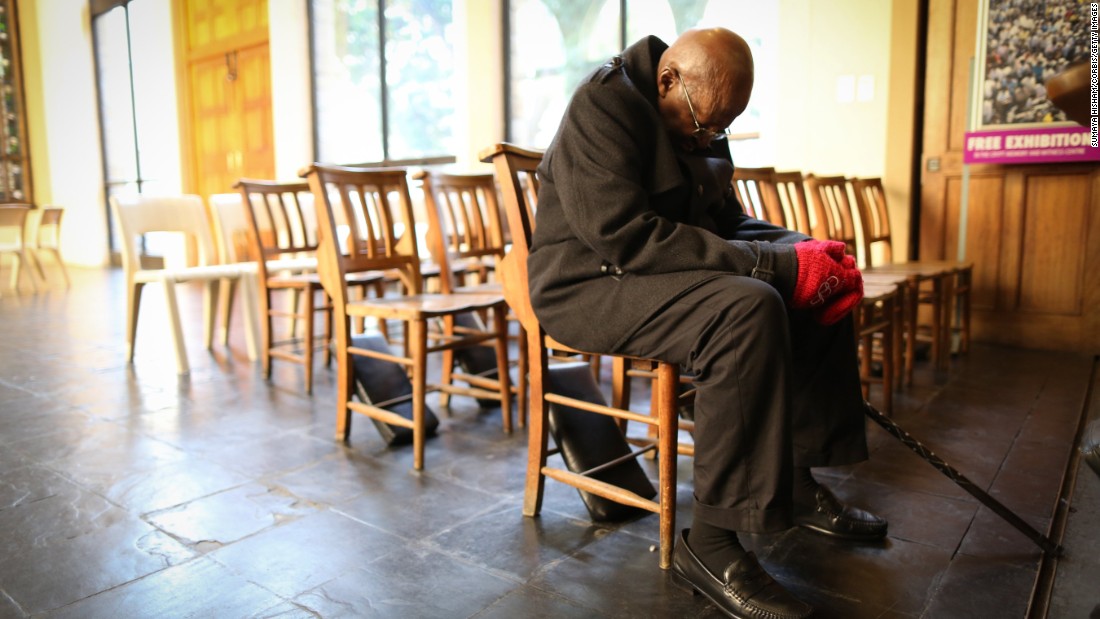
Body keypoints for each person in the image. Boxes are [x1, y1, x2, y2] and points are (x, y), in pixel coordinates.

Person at [527, 27, 886, 619]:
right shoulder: (604, 103)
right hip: (589, 283)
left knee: (810, 285)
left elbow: (726, 221)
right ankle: (712, 544)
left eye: (722, 127)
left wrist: (805, 250)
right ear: (668, 79)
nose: (709, 137)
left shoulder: (700, 114)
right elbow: (626, 237)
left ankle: (797, 479)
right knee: (748, 306)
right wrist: (777, 267)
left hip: (651, 273)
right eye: (704, 124)